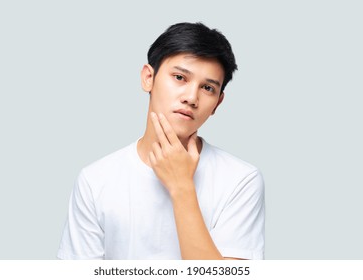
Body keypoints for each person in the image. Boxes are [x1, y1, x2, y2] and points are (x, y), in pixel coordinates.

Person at [57, 22, 265, 260]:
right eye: (179, 77)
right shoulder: (95, 181)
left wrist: (181, 187)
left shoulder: (241, 180)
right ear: (148, 78)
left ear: (218, 103)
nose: (191, 97)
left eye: (207, 88)